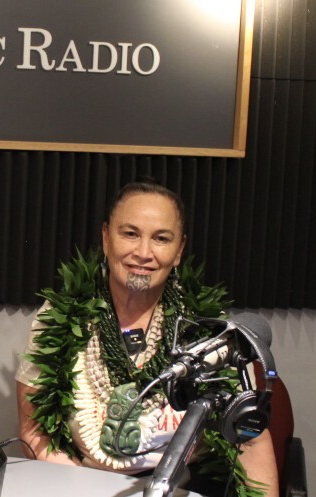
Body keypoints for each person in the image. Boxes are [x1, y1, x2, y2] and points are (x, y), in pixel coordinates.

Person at [15, 181, 278, 496]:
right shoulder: (57, 317)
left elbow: (249, 439)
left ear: (179, 251)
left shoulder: (211, 332)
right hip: (82, 480)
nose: (143, 253)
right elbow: (35, 430)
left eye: (161, 239)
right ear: (106, 238)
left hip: (188, 485)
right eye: (130, 234)